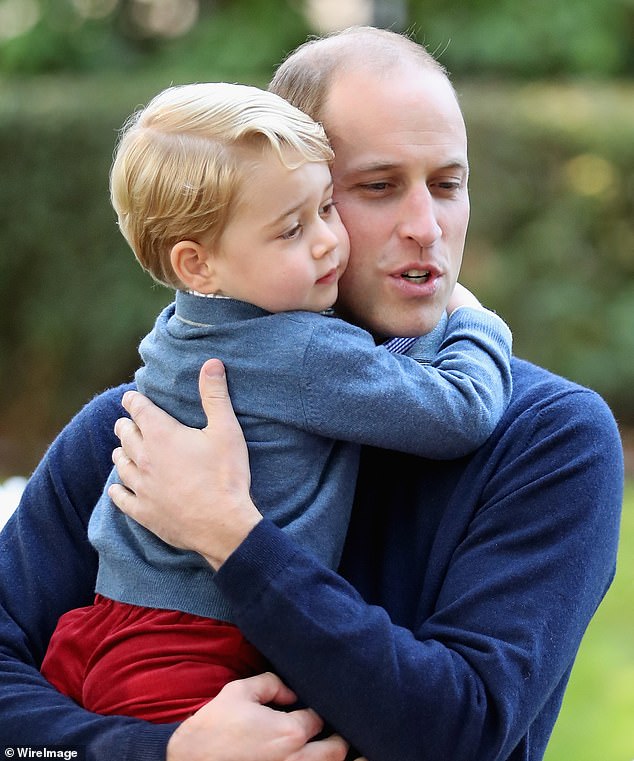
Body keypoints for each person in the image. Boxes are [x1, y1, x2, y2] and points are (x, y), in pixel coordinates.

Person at [0, 25, 623, 761]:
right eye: (377, 187)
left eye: (448, 184)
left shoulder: (549, 438)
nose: (427, 227)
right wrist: (163, 752)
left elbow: (462, 730)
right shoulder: (144, 431)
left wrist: (231, 534)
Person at [38, 80, 512, 723]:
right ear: (197, 265)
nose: (325, 242)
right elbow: (459, 411)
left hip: (106, 626)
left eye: (325, 209)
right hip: (191, 649)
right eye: (292, 229)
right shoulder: (301, 351)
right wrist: (474, 320)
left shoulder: (185, 329)